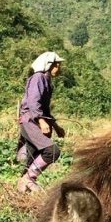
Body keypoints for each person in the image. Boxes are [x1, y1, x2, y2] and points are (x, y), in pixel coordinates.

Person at [16, 51, 66, 193]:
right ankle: (29, 179)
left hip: (35, 122)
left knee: (32, 158)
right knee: (52, 151)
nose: (59, 68)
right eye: (57, 65)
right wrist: (42, 121)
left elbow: (45, 109)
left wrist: (55, 126)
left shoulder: (47, 81)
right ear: (49, 65)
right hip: (30, 121)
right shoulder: (38, 78)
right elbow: (33, 102)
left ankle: (22, 189)